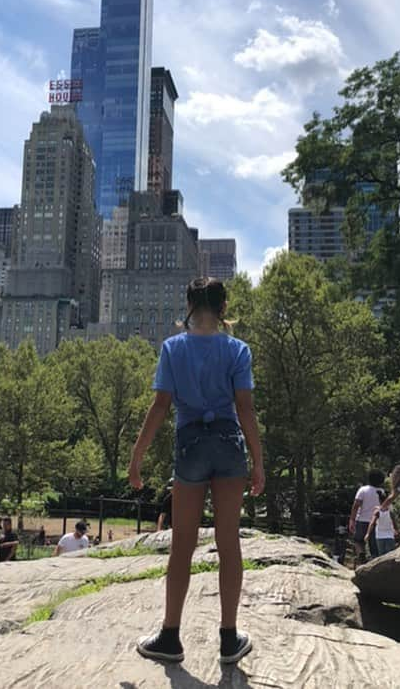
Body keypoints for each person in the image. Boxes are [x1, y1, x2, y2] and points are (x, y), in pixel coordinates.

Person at [129, 277, 265, 667]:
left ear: (189, 304)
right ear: (223, 309)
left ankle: (170, 637)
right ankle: (228, 639)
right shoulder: (238, 350)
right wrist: (258, 462)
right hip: (229, 448)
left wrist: (136, 458)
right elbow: (246, 410)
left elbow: (159, 407)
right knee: (228, 542)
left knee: (182, 544)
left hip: (189, 447)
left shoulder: (173, 348)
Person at [348, 471, 385, 565]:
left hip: (362, 520)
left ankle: (361, 554)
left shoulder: (363, 490)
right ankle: (374, 564)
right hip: (376, 521)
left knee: (358, 541)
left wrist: (352, 520)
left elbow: (356, 505)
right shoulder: (381, 491)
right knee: (374, 546)